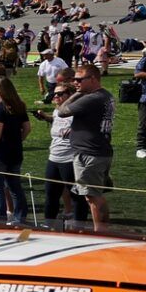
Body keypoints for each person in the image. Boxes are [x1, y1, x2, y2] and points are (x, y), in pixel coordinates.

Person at [56, 62, 116, 233]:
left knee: (92, 197)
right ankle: (103, 229)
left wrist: (76, 94)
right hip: (99, 150)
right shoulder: (105, 96)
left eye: (79, 80)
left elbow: (62, 111)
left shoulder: (91, 98)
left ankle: (100, 232)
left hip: (89, 153)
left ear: (92, 78)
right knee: (96, 195)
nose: (75, 83)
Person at [32, 77, 89, 231]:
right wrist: (46, 118)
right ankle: (49, 224)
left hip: (70, 159)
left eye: (60, 94)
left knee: (76, 196)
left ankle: (79, 226)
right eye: (54, 94)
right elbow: (58, 124)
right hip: (54, 158)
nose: (55, 97)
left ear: (71, 95)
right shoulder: (58, 111)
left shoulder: (78, 112)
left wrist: (76, 130)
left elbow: (89, 128)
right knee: (51, 194)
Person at [0, 75, 31, 227]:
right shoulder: (19, 105)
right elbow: (27, 128)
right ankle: (20, 217)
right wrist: (17, 141)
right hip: (15, 152)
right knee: (15, 186)